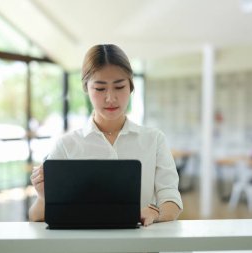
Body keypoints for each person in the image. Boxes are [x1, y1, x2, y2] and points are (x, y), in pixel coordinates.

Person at [29, 44, 183, 226]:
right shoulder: (66, 145)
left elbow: (171, 199)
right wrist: (43, 196)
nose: (110, 97)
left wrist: (155, 213)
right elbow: (36, 215)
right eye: (100, 89)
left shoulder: (154, 139)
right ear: (87, 88)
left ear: (131, 86)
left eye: (119, 87)